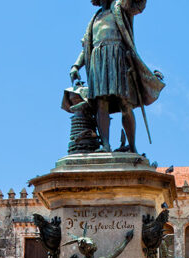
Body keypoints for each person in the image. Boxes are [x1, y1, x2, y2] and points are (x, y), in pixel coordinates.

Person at [69, 0, 164, 154]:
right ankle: (105, 145)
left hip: (117, 56)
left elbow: (137, 4)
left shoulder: (120, 6)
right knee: (101, 103)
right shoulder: (95, 18)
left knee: (125, 103)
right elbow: (87, 46)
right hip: (97, 58)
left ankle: (132, 147)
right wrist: (76, 65)